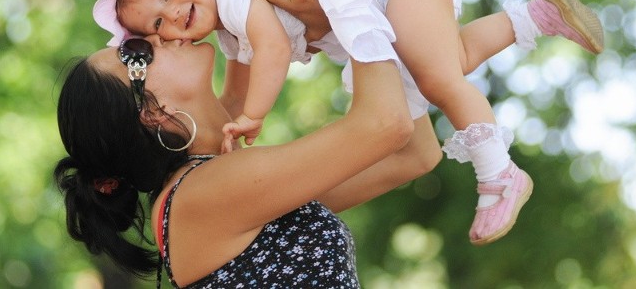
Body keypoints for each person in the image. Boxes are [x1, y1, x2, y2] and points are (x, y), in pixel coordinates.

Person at [91, 0, 604, 245]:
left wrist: (254, 114)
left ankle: (498, 171)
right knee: (448, 64)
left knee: (441, 77)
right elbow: (396, 133)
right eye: (142, 40)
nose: (167, 29)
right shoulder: (200, 198)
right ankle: (535, 18)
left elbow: (261, 71)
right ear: (150, 113)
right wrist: (331, 15)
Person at [55, 29, 451, 287]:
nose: (155, 35)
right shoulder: (205, 194)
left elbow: (414, 155)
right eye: (135, 51)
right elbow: (385, 125)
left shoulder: (215, 188)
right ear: (151, 112)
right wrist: (350, 3)